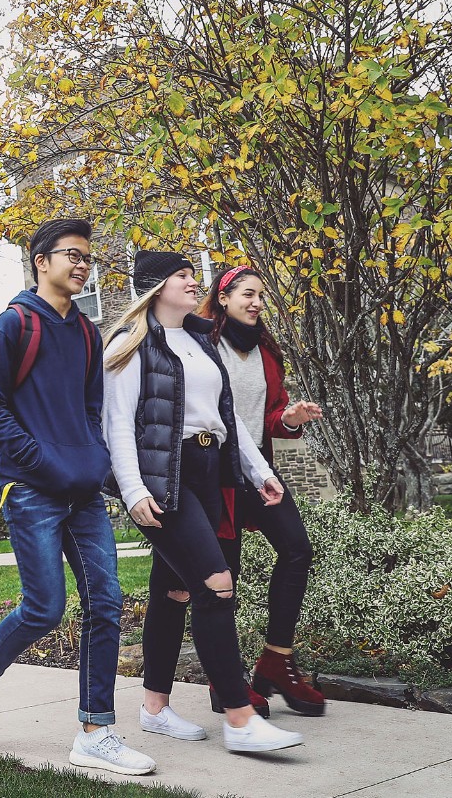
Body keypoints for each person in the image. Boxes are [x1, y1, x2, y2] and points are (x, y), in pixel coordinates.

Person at [0, 218, 157, 776]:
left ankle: (96, 731)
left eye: (87, 258)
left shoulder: (90, 334)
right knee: (45, 607)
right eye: (71, 255)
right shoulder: (13, 326)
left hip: (84, 490)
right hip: (32, 490)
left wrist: (93, 460)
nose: (82, 264)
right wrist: (43, 460)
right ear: (40, 261)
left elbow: (92, 410)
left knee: (106, 603)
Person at [102, 249, 303, 753]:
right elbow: (118, 425)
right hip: (166, 481)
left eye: (194, 275)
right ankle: (239, 719)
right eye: (183, 276)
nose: (195, 283)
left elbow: (227, 418)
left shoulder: (198, 339)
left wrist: (258, 472)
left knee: (174, 592)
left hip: (211, 473)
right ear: (155, 287)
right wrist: (132, 490)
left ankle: (154, 709)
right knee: (216, 586)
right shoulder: (132, 343)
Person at [201, 265, 326, 716]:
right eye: (247, 294)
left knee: (297, 549)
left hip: (259, 471)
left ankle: (276, 661)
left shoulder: (266, 352)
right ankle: (225, 681)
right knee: (223, 578)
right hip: (216, 476)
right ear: (223, 297)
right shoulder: (205, 346)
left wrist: (290, 417)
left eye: (260, 296)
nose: (256, 303)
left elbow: (269, 416)